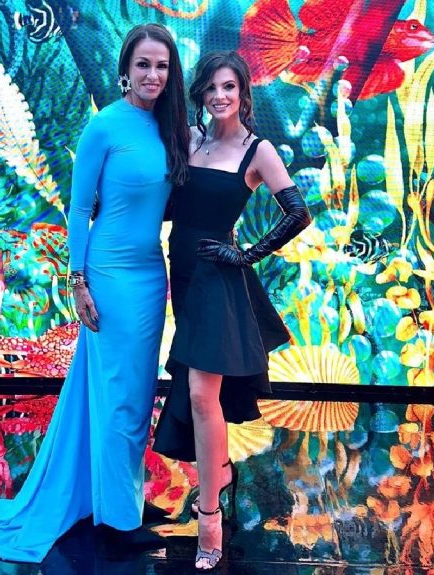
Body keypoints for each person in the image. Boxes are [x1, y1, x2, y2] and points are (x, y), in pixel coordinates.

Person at [0, 23, 189, 563]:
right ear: (125, 70)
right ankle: (118, 522)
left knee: (135, 393)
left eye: (162, 66)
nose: (152, 74)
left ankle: (119, 500)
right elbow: (78, 210)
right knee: (121, 395)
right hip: (109, 274)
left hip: (150, 275)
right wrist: (77, 282)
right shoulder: (104, 126)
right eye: (143, 64)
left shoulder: (169, 127)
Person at [152, 50, 312, 571]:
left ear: (243, 93)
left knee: (202, 395)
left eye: (229, 87)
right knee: (199, 392)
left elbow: (299, 213)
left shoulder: (257, 150)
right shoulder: (191, 140)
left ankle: (210, 518)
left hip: (219, 280)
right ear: (201, 94)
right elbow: (172, 204)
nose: (220, 96)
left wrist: (245, 255)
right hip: (183, 273)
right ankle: (219, 469)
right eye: (211, 88)